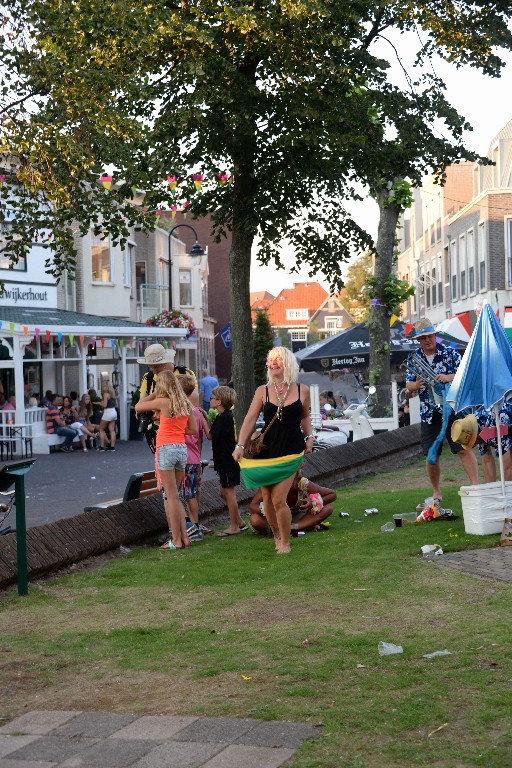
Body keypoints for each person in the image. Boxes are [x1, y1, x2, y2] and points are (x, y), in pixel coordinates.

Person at [232, 346, 314, 554]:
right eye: (271, 360)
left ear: (287, 362)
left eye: (278, 359)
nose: (274, 363)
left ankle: (285, 542)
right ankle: (276, 535)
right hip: (266, 451)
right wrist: (240, 445)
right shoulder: (263, 391)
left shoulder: (302, 390)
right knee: (267, 499)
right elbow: (250, 419)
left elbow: (304, 417)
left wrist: (310, 437)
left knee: (279, 499)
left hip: (292, 450)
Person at [405, 317, 478, 503]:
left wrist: (449, 376)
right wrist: (415, 385)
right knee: (431, 454)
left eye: (430, 336)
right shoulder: (413, 359)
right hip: (429, 413)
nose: (427, 340)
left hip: (452, 409)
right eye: (423, 338)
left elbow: (466, 374)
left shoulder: (450, 353)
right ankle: (436, 493)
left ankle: (475, 486)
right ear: (419, 340)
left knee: (463, 448)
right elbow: (408, 386)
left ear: (435, 335)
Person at [135, 370, 197, 550]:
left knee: (171, 496)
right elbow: (192, 429)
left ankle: (175, 540)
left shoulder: (163, 402)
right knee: (176, 496)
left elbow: (139, 406)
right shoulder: (185, 403)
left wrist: (153, 394)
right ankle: (185, 538)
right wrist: (177, 430)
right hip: (181, 449)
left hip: (166, 448)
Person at [178, 375, 213, 539]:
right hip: (193, 457)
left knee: (187, 494)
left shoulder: (182, 412)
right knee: (193, 492)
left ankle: (193, 528)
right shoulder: (199, 412)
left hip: (183, 458)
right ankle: (195, 525)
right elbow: (200, 439)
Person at [210, 385, 246, 537]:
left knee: (229, 493)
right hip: (225, 461)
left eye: (212, 398)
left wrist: (203, 420)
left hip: (227, 461)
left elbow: (211, 435)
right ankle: (240, 522)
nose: (210, 400)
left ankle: (233, 526)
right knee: (222, 492)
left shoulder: (223, 417)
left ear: (219, 402)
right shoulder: (225, 417)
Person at [248, 471, 336, 534]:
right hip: (275, 520)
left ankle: (294, 528)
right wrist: (266, 509)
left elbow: (332, 494)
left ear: (296, 480)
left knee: (327, 508)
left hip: (298, 517)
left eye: (289, 482)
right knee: (255, 520)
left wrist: (314, 502)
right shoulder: (269, 484)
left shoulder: (302, 482)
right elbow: (252, 507)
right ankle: (302, 527)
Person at [473, 403, 512, 483]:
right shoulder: (474, 426)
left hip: (502, 419)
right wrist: (490, 490)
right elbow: (487, 460)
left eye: (470, 443)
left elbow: (507, 466)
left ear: (475, 434)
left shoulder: (494, 425)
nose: (471, 446)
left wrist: (503, 493)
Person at [97, 384, 118, 451]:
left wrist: (100, 403)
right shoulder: (113, 395)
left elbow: (105, 405)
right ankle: (112, 447)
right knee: (111, 430)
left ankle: (102, 446)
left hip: (108, 412)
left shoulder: (106, 394)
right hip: (113, 412)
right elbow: (116, 404)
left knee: (101, 429)